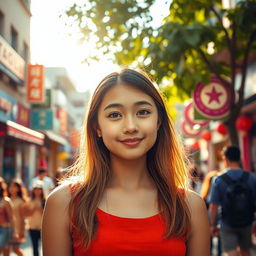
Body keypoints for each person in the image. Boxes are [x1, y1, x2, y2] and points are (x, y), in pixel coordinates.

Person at [42, 68, 210, 255]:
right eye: (115, 115)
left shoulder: (191, 206)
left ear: (159, 121)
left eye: (143, 112)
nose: (130, 126)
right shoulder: (64, 203)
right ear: (97, 126)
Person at [209, 146, 256, 256]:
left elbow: (214, 206)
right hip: (247, 222)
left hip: (227, 223)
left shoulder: (219, 180)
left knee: (231, 252)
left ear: (225, 159)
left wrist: (213, 225)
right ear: (239, 158)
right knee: (245, 250)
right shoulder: (251, 177)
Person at [24, 181, 45, 256]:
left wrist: (40, 209)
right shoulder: (29, 201)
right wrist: (33, 210)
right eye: (36, 189)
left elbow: (47, 215)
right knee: (35, 247)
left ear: (42, 190)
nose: (37, 191)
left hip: (42, 228)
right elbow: (26, 214)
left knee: (45, 247)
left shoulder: (45, 200)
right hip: (32, 227)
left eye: (39, 189)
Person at [7, 179, 27, 256]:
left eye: (14, 186)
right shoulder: (5, 199)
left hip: (17, 229)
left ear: (18, 189)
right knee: (6, 249)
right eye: (10, 186)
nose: (11, 188)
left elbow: (23, 217)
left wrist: (22, 230)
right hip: (6, 228)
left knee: (16, 249)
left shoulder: (20, 201)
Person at [0, 177, 17, 256]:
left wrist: (14, 232)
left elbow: (12, 217)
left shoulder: (6, 201)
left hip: (5, 229)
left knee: (5, 251)